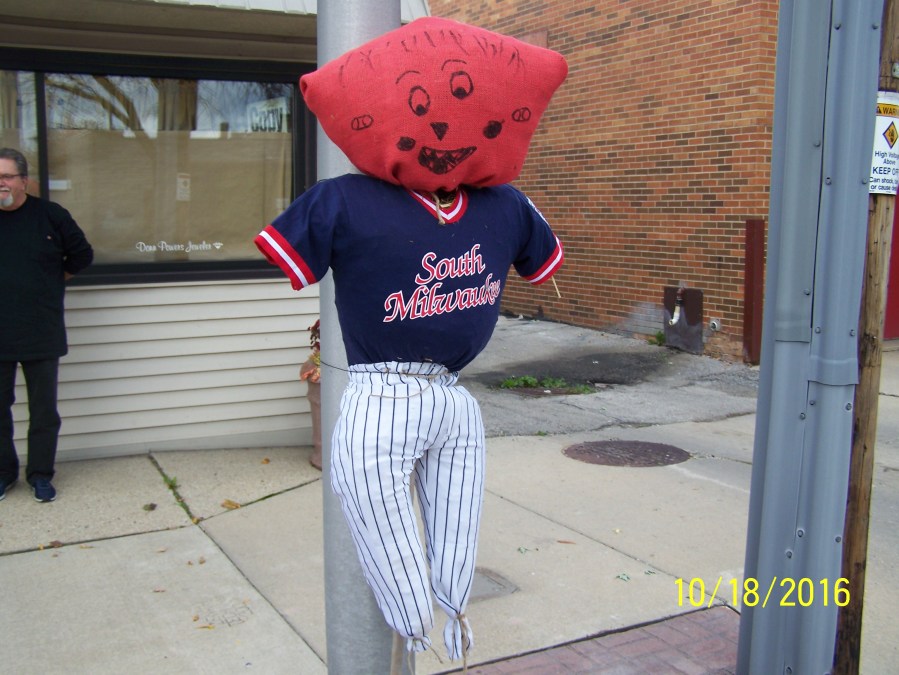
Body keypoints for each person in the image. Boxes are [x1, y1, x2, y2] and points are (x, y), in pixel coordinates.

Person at [256, 18, 567, 663]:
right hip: (379, 398)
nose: (444, 131)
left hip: (454, 398)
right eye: (421, 108)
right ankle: (417, 636)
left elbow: (542, 260)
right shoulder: (341, 201)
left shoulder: (506, 205)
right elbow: (284, 251)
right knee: (391, 552)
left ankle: (450, 622)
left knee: (457, 542)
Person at [0, 147, 94, 503]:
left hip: (41, 329)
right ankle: (4, 473)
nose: (1, 184)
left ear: (24, 181)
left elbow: (82, 255)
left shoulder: (51, 216)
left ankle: (40, 474)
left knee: (43, 412)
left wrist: (52, 281)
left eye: (7, 176)